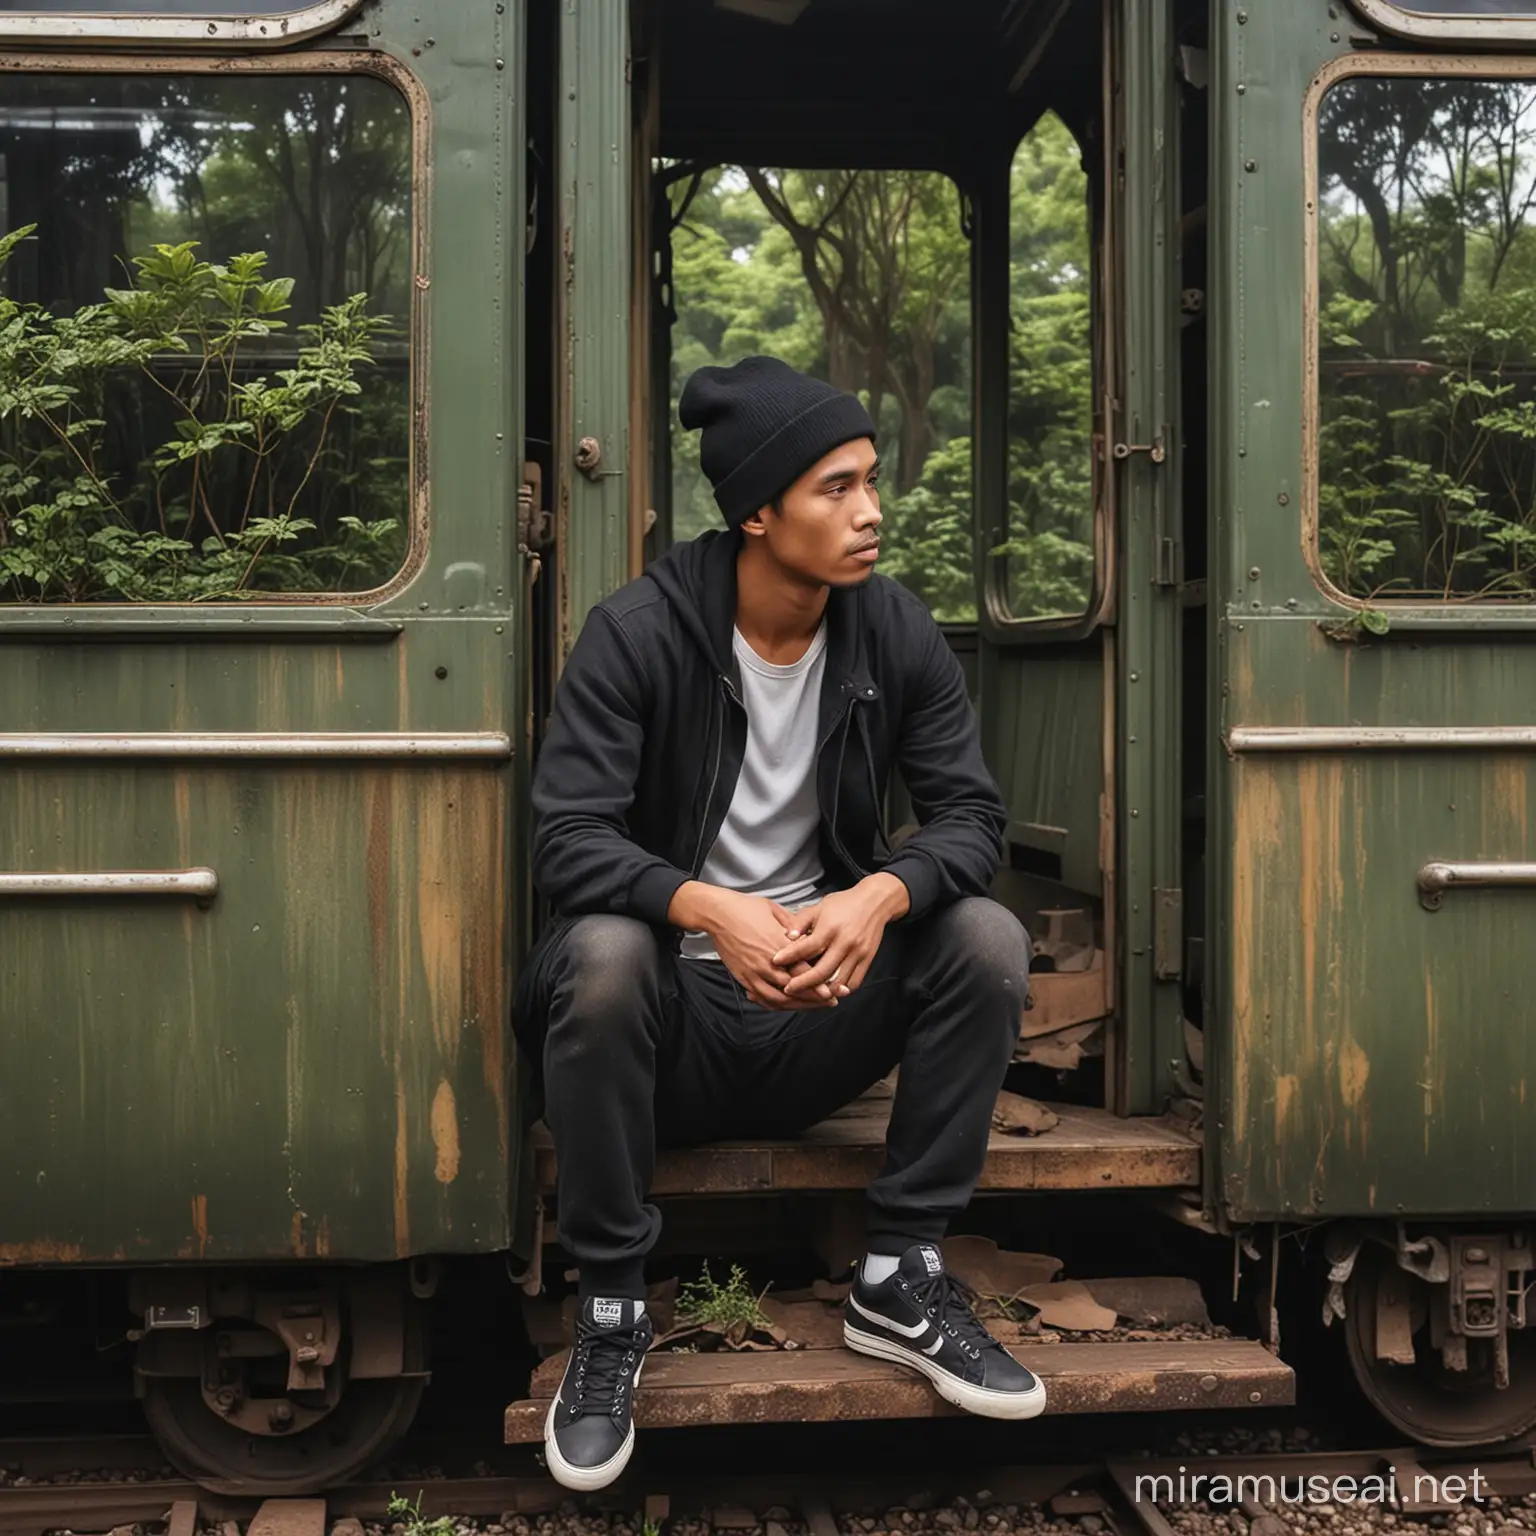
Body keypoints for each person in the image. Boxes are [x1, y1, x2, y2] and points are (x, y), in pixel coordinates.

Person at [514, 356, 1044, 1492]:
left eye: (869, 481)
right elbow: (565, 839)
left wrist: (875, 896)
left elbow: (970, 817)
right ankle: (610, 1311)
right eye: (836, 487)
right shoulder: (639, 633)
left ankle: (900, 1276)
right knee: (603, 953)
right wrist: (710, 909)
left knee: (985, 938)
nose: (871, 511)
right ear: (758, 512)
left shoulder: (891, 631)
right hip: (673, 1035)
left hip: (820, 1020)